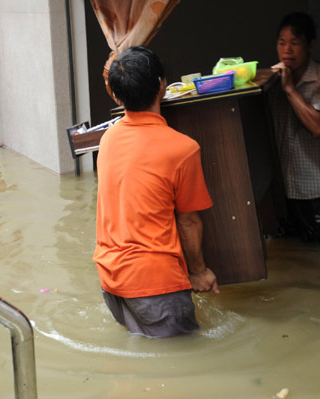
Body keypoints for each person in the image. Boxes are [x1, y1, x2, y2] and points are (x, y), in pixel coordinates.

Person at [93, 46, 219, 338]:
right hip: (155, 285)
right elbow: (188, 221)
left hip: (111, 281)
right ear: (162, 85)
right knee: (182, 370)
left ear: (115, 94)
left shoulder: (107, 139)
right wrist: (199, 272)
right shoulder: (183, 149)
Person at [268, 12, 320, 243]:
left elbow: (318, 128)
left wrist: (290, 89)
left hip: (315, 189)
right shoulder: (272, 80)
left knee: (318, 254)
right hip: (282, 188)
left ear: (310, 46)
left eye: (295, 43)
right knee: (286, 254)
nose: (287, 50)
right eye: (281, 43)